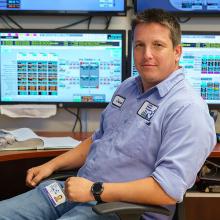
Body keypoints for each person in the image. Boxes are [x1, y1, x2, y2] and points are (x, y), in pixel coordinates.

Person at [0, 8, 216, 220]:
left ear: (177, 52)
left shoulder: (188, 110)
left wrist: (94, 190)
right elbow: (99, 139)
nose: (146, 54)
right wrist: (52, 165)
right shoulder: (128, 87)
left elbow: (167, 190)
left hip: (120, 209)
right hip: (78, 190)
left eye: (158, 45)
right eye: (139, 45)